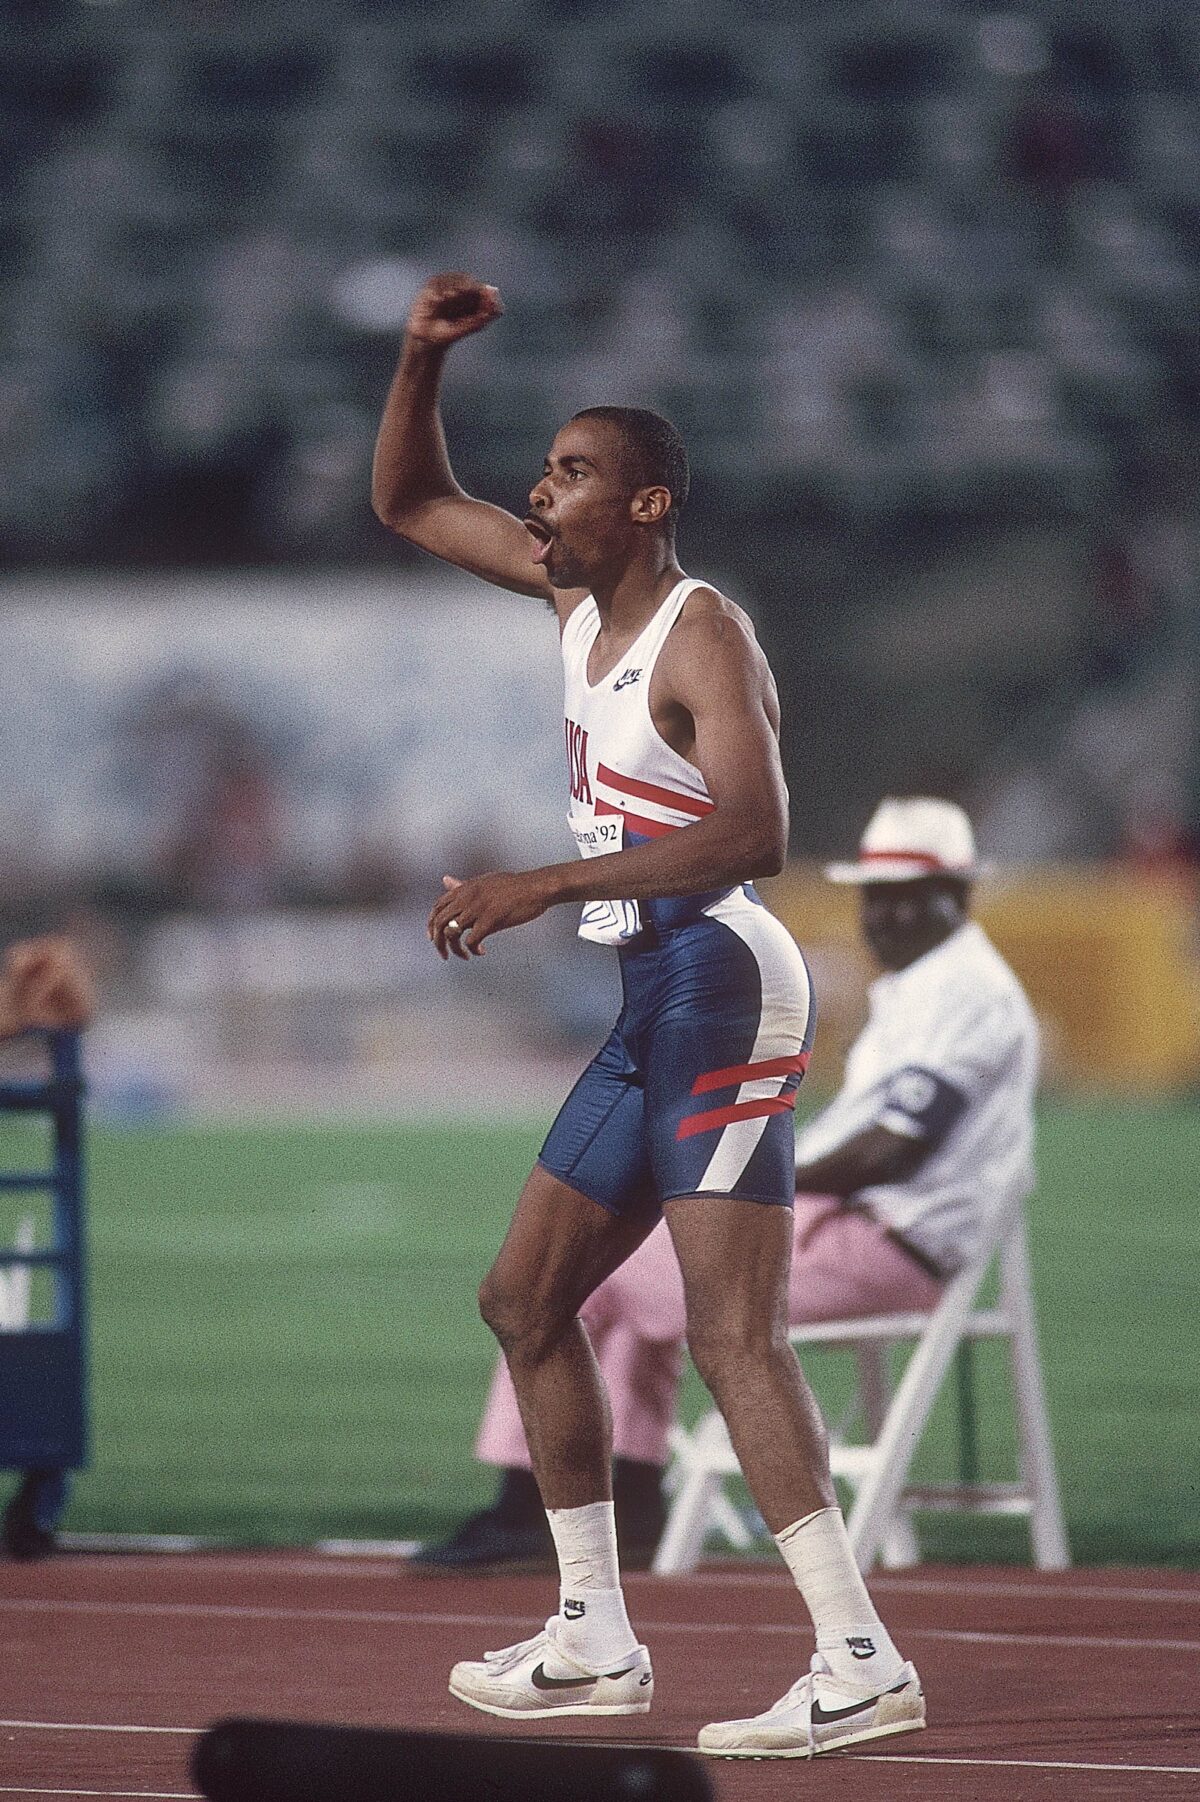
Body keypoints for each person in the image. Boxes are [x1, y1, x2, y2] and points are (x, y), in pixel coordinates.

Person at [371, 272, 924, 1759]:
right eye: (545, 467)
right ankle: (595, 1634)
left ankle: (858, 1655)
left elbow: (755, 836)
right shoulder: (568, 594)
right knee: (524, 1299)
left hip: (727, 979)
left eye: (569, 472)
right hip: (651, 994)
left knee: (736, 1334)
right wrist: (420, 358)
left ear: (650, 502)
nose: (539, 491)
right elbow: (415, 502)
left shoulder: (702, 634)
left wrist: (543, 879)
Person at [414, 795, 1039, 1575]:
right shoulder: (932, 984)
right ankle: (628, 1495)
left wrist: (745, 1171)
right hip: (864, 1226)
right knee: (618, 1268)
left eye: (907, 897)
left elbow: (890, 1152)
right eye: (876, 897)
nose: (885, 916)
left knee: (582, 1277)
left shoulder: (964, 991)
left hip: (882, 1238)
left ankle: (537, 1508)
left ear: (960, 895)